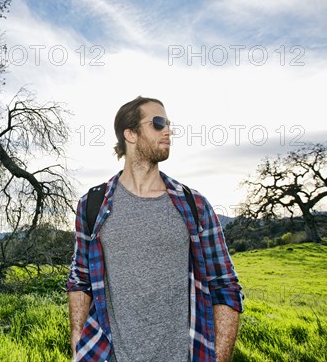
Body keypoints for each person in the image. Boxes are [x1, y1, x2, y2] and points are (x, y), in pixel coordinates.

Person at [66, 96, 244, 362]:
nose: (168, 131)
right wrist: (79, 341)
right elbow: (80, 280)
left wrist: (219, 358)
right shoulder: (92, 205)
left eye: (169, 124)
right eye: (158, 123)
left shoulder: (194, 205)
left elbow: (225, 285)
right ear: (130, 134)